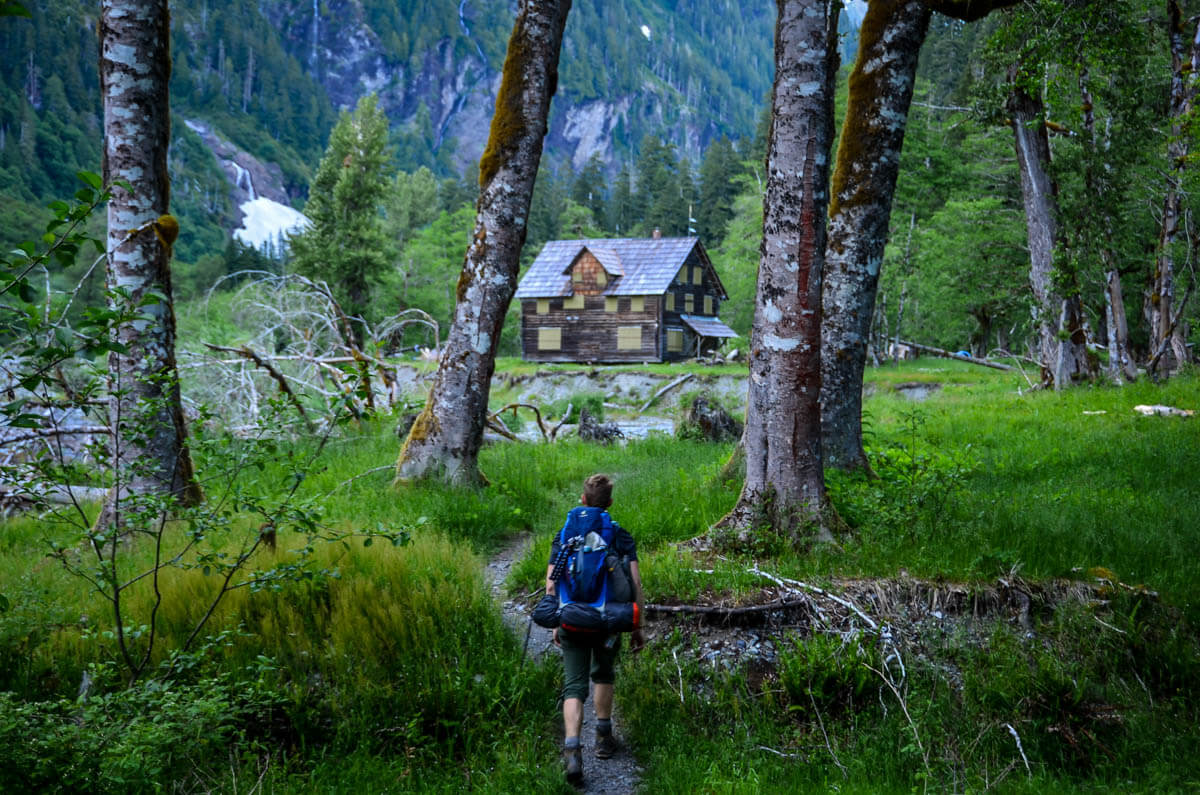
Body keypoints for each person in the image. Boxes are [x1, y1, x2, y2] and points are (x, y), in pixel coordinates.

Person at [545, 473, 645, 785]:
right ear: (610, 504)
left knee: (573, 685)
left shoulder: (564, 534)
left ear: (582, 500)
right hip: (607, 619)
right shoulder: (619, 535)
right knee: (603, 673)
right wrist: (638, 625)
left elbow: (552, 581)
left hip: (571, 617)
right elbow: (636, 583)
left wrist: (554, 620)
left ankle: (573, 751)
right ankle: (603, 738)